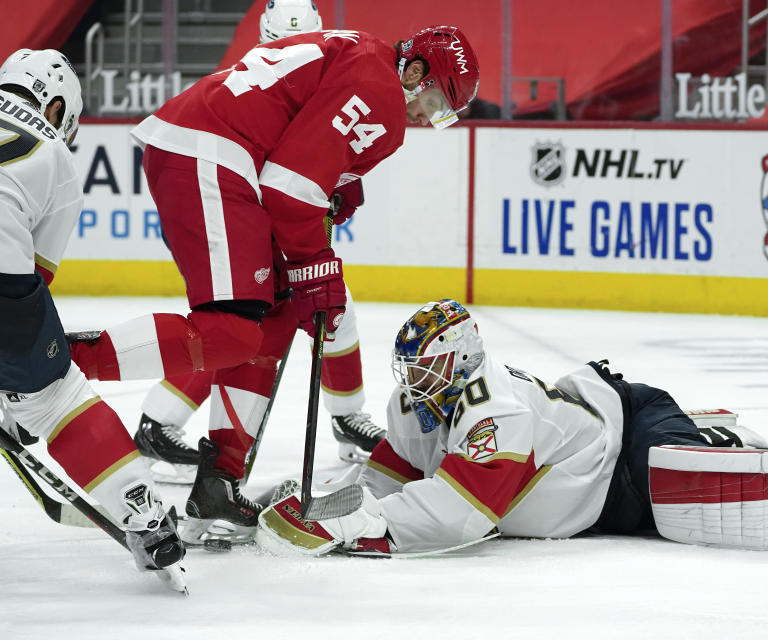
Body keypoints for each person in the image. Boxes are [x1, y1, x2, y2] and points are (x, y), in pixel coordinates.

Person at [69, 27, 480, 544]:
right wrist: (317, 264)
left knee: (275, 316)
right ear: (417, 72)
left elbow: (301, 136)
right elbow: (290, 189)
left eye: (444, 114)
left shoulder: (365, 57)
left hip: (217, 149)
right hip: (213, 152)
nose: (428, 116)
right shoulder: (380, 89)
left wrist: (343, 186)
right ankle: (49, 368)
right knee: (231, 331)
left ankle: (220, 479)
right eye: (436, 100)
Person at [256, 299, 768, 555]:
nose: (415, 386)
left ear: (462, 362)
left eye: (428, 371)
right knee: (670, 508)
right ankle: (708, 432)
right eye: (410, 371)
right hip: (593, 484)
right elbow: (389, 477)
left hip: (628, 444)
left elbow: (461, 516)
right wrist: (329, 501)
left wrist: (358, 528)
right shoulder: (418, 405)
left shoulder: (493, 411)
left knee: (693, 494)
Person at [132, 0, 383, 487]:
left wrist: (340, 188)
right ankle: (158, 421)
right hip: (226, 211)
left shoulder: (311, 83)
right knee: (239, 322)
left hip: (253, 219)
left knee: (329, 312)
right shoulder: (251, 86)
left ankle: (348, 417)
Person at [0, 49, 185, 577]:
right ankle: (145, 517)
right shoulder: (54, 154)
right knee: (57, 399)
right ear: (55, 108)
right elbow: (33, 279)